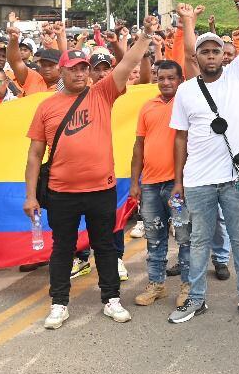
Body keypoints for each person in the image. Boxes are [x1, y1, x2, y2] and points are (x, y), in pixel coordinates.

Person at [24, 35, 149, 331]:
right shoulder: (46, 107)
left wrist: (144, 35)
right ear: (61, 72)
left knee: (105, 246)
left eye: (84, 68)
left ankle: (111, 298)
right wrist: (30, 196)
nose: (80, 74)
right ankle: (59, 303)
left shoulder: (103, 93)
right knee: (62, 248)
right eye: (73, 69)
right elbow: (34, 154)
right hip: (61, 192)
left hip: (101, 189)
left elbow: (129, 62)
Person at [168, 0, 239, 325]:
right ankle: (196, 300)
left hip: (236, 178)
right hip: (198, 179)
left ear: (224, 54)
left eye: (216, 50)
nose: (211, 55)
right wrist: (178, 181)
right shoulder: (185, 91)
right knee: (199, 240)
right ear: (196, 57)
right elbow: (180, 139)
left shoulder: (238, 77)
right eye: (205, 51)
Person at [129, 60, 190, 310]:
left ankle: (189, 286)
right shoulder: (147, 107)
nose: (166, 82)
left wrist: (181, 181)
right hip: (151, 185)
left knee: (185, 237)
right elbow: (138, 146)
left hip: (178, 186)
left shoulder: (187, 104)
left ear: (180, 79)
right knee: (154, 239)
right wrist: (135, 181)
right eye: (161, 77)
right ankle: (157, 284)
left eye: (171, 78)